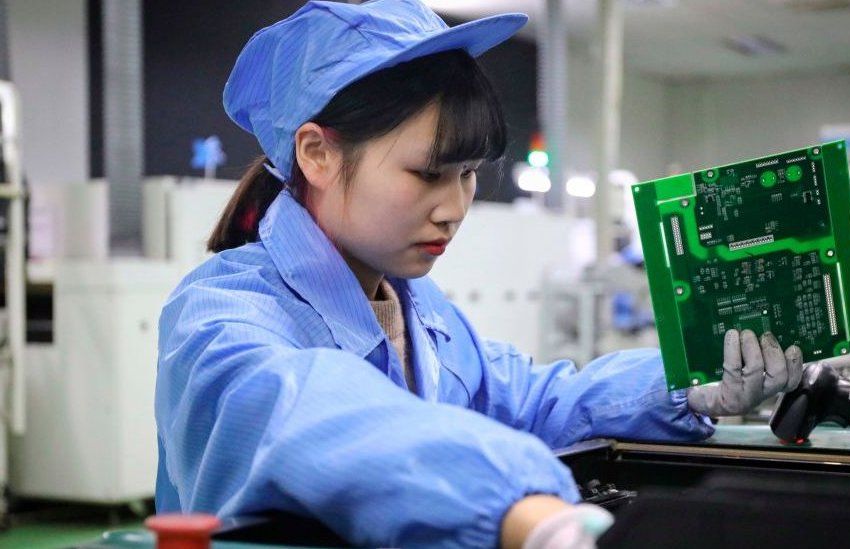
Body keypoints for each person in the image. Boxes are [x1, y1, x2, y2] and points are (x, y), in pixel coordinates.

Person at [154, 1, 804, 547]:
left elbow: (535, 403)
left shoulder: (423, 314)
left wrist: (689, 381)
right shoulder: (222, 314)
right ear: (317, 153)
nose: (455, 207)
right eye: (429, 173)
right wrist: (514, 504)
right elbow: (311, 413)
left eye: (468, 174)